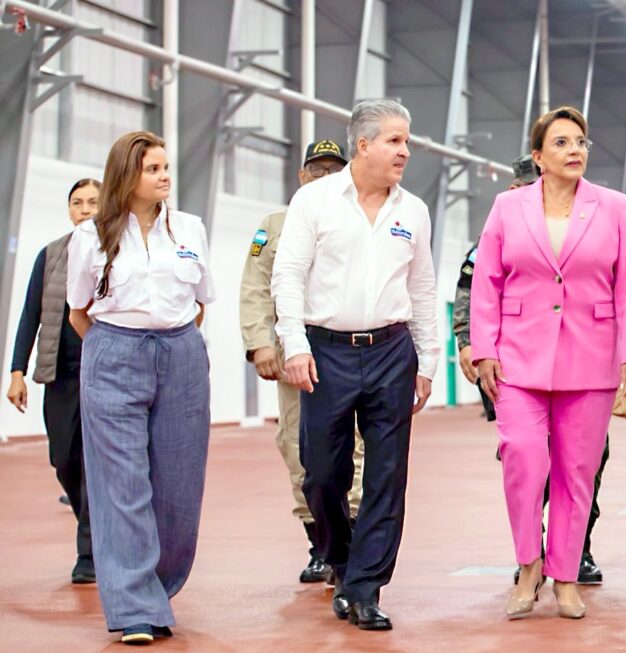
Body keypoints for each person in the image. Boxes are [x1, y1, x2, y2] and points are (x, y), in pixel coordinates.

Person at [471, 106, 626, 620]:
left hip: (591, 358)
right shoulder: (507, 208)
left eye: (581, 143)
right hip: (517, 359)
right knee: (523, 458)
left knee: (577, 472)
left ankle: (565, 575)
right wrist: (483, 348)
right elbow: (486, 281)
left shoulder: (614, 207)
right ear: (538, 156)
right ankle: (529, 563)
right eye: (562, 143)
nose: (575, 151)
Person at [271, 99, 440, 630]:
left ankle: (366, 587)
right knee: (321, 472)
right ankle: (342, 562)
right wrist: (293, 344)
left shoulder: (412, 210)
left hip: (392, 351)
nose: (404, 151)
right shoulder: (314, 201)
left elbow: (423, 287)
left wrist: (428, 359)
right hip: (325, 353)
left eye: (406, 142)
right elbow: (288, 277)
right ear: (363, 145)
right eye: (394, 141)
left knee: (387, 475)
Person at [66, 131, 215, 644]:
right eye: (154, 169)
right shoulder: (91, 235)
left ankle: (157, 588)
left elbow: (200, 303)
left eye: (167, 167)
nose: (165, 176)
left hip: (181, 353)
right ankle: (132, 607)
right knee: (121, 483)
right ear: (127, 176)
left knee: (178, 486)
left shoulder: (190, 227)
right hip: (112, 351)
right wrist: (116, 349)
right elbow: (78, 312)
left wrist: (168, 345)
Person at [452, 155, 608, 586]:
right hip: (513, 360)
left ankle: (578, 550)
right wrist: (468, 343)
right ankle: (533, 553)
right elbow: (471, 291)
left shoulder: (584, 221)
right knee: (524, 456)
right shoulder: (498, 230)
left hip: (579, 364)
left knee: (581, 463)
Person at [239, 139, 366, 584]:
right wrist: (260, 345)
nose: (325, 176)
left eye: (335, 169)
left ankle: (349, 542)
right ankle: (320, 544)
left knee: (354, 449)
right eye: (317, 170)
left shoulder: (361, 218)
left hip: (350, 353)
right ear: (302, 176)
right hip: (296, 354)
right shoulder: (274, 225)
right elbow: (255, 287)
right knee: (298, 446)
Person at [7, 178, 100, 584]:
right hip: (59, 372)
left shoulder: (119, 249)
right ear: (69, 210)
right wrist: (16, 371)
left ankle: (89, 554)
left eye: (93, 202)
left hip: (103, 371)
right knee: (63, 458)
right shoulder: (50, 255)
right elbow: (30, 314)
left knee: (96, 461)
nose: (85, 209)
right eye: (77, 203)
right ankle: (92, 524)